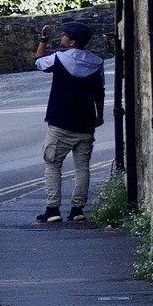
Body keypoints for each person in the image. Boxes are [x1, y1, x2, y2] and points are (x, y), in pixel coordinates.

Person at [33, 17, 104, 224]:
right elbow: (99, 92)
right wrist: (99, 115)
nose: (61, 38)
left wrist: (44, 41)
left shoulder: (59, 59)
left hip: (60, 122)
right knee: (82, 168)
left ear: (72, 42)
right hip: (86, 123)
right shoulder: (97, 62)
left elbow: (38, 62)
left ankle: (53, 209)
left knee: (53, 164)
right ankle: (77, 210)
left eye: (64, 36)